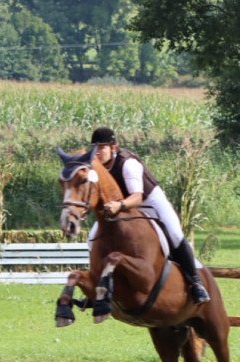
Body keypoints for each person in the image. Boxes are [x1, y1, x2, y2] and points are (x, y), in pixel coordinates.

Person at [89, 126, 210, 305]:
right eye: (95, 148)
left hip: (149, 202)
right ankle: (97, 287)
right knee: (92, 238)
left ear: (114, 148)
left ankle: (196, 282)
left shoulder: (128, 164)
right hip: (121, 206)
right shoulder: (96, 168)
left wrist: (119, 205)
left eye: (102, 147)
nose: (97, 153)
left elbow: (137, 197)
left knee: (175, 234)